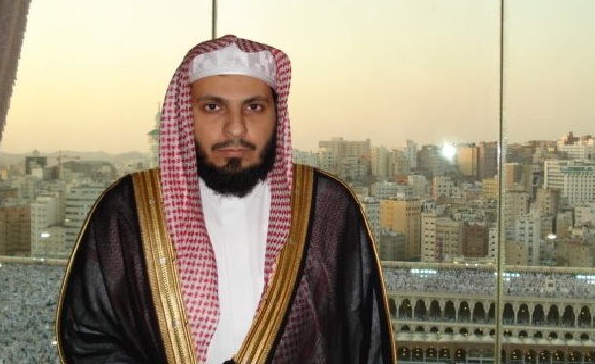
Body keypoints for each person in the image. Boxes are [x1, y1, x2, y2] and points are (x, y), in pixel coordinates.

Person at [56, 35, 396, 364]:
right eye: (213, 107)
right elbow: (89, 336)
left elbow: (361, 337)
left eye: (254, 107)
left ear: (276, 116)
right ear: (185, 116)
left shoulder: (328, 207)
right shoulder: (127, 210)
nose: (235, 128)